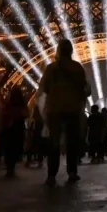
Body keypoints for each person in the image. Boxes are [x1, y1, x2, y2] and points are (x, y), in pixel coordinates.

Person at [37, 40, 89, 185]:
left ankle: (51, 174)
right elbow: (83, 89)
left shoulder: (51, 68)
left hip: (55, 109)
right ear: (71, 51)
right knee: (72, 142)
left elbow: (45, 88)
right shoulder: (77, 67)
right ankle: (72, 172)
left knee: (53, 142)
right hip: (72, 108)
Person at [0, 88, 27, 178]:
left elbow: (4, 115)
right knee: (15, 149)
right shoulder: (22, 105)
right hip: (18, 128)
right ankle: (12, 168)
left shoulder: (8, 105)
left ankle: (9, 168)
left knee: (9, 149)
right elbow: (25, 114)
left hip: (9, 129)